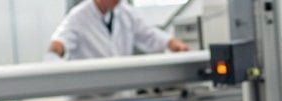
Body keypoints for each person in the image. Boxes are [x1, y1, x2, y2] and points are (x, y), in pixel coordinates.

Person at [48, 0, 189, 61]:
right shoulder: (78, 16)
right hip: (88, 96)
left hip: (120, 92)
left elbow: (148, 34)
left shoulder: (125, 12)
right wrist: (56, 49)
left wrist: (171, 42)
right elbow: (61, 41)